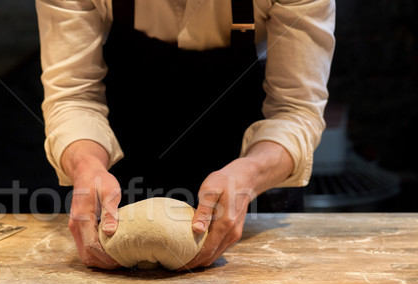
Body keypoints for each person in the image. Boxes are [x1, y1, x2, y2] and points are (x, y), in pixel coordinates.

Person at [35, 0, 335, 269]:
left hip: (248, 170)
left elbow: (295, 108)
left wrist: (251, 173)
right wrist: (87, 164)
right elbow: (73, 95)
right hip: (127, 159)